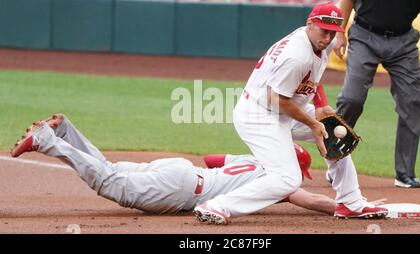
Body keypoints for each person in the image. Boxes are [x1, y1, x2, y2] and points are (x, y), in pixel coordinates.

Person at [193, 2, 388, 225]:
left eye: (333, 32)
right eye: (324, 30)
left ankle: (350, 204)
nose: (328, 37)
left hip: (282, 107)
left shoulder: (320, 41)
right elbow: (276, 99)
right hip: (259, 115)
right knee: (287, 179)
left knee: (334, 135)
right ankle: (218, 206)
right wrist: (314, 123)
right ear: (310, 24)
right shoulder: (296, 56)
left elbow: (311, 81)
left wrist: (321, 106)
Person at [10, 114, 385, 218]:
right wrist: (347, 205)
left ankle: (68, 131)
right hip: (182, 190)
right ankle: (48, 140)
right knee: (108, 182)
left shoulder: (254, 160)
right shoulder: (280, 179)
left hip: (182, 171)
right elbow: (314, 202)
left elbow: (211, 160)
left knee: (110, 169)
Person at [333, 0, 420, 188]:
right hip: (364, 34)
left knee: (414, 104)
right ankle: (335, 161)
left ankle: (405, 174)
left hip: (403, 41)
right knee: (352, 98)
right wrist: (340, 33)